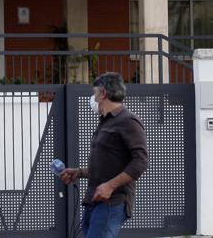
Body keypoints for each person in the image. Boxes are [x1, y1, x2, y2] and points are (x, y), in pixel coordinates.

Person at [59, 72, 148, 238]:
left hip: (112, 202)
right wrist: (79, 172)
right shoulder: (106, 121)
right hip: (94, 200)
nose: (93, 98)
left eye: (94, 93)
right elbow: (105, 165)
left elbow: (141, 162)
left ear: (103, 94)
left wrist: (110, 186)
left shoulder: (128, 121)